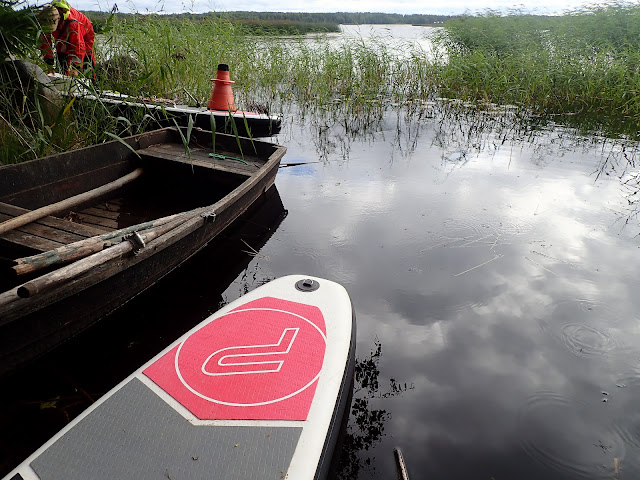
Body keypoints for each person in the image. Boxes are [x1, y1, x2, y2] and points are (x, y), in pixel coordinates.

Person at [38, 0, 95, 76]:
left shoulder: (72, 24)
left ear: (58, 19)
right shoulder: (45, 18)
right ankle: (63, 78)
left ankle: (91, 81)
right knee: (61, 55)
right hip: (61, 29)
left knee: (87, 60)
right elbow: (46, 45)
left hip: (84, 32)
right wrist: (49, 66)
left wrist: (76, 68)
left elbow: (78, 46)